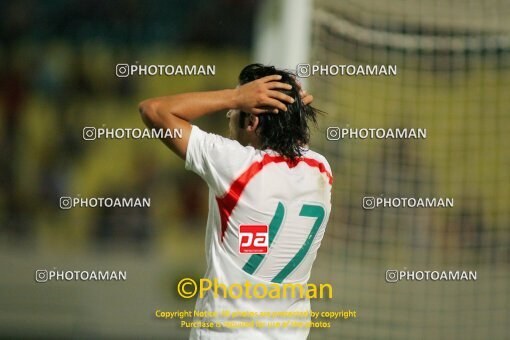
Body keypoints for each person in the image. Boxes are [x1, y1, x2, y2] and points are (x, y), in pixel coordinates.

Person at [139, 64, 332, 339]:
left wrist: (234, 96)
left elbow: (153, 110)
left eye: (237, 109)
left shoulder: (235, 165)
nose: (229, 114)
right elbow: (294, 143)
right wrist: (291, 112)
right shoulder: (321, 170)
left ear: (252, 121)